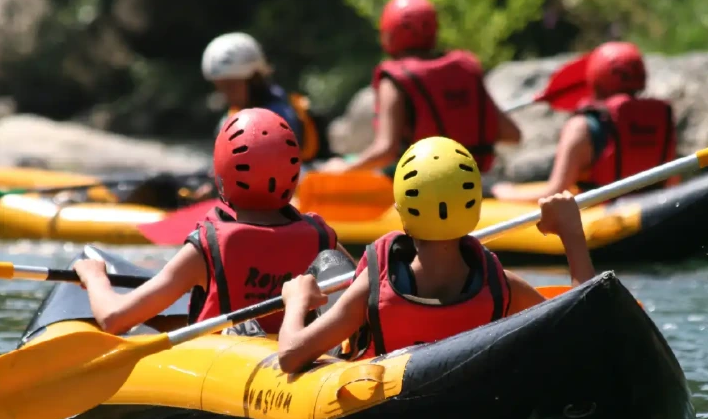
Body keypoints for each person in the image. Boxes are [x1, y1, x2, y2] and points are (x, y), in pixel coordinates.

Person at [277, 136, 595, 373]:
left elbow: (290, 357)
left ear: (402, 213)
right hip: (468, 405)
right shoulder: (502, 287)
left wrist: (296, 302)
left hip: (383, 410)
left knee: (329, 263)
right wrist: (571, 234)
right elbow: (582, 331)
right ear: (474, 211)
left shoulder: (374, 287)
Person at [75, 108, 347, 336]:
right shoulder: (323, 239)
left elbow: (113, 318)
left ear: (222, 173)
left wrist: (95, 276)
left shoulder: (208, 247)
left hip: (224, 368)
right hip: (301, 366)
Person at [320, 0, 521, 176]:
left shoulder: (395, 80)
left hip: (426, 186)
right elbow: (512, 134)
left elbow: (386, 150)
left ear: (389, 34)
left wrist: (345, 168)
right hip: (476, 180)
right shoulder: (465, 68)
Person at [492, 41, 677, 202]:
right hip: (652, 208)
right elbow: (672, 182)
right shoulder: (661, 118)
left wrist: (507, 194)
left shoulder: (581, 127)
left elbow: (555, 192)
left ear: (594, 77)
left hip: (603, 216)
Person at [202, 32, 323, 163]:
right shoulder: (232, 117)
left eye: (231, 86)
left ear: (254, 80)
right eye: (220, 87)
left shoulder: (278, 117)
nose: (226, 94)